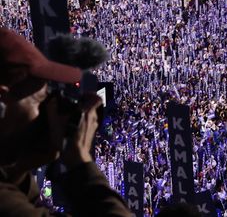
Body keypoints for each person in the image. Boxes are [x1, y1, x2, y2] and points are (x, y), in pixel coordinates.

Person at [0, 28, 130, 216]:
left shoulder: (14, 182)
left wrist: (22, 165)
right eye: (41, 99)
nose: (51, 110)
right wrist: (81, 163)